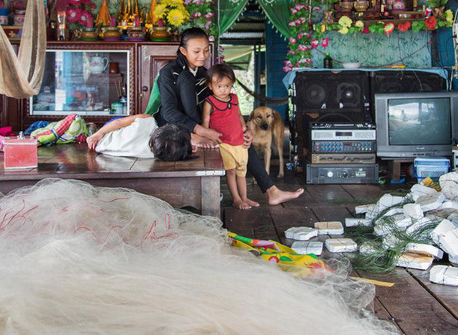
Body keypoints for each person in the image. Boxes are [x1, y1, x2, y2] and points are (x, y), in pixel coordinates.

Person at [153, 27, 303, 205]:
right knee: (185, 79)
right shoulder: (169, 72)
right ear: (183, 51)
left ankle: (272, 191)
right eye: (196, 51)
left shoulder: (202, 74)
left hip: (196, 124)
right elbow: (169, 112)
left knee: (241, 140)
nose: (203, 56)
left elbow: (223, 108)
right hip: (171, 128)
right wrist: (201, 131)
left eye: (206, 50)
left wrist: (244, 130)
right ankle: (231, 195)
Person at [202, 64, 254, 209]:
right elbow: (205, 121)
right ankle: (236, 199)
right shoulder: (209, 102)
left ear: (232, 85)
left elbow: (238, 115)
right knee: (231, 171)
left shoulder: (234, 98)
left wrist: (245, 129)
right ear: (210, 86)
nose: (223, 90)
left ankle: (245, 197)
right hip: (224, 144)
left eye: (227, 86)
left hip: (239, 142)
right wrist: (206, 138)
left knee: (242, 172)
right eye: (219, 86)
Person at [86, 114, 194, 161]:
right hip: (99, 146)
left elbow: (118, 122)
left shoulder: (148, 120)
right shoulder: (152, 155)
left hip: (106, 133)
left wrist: (98, 133)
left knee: (122, 120)